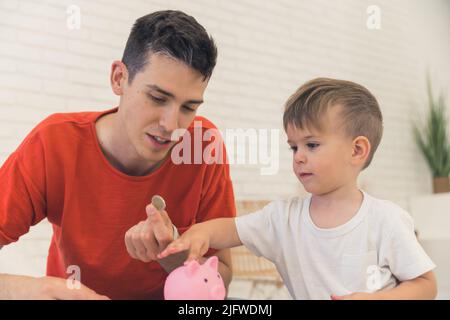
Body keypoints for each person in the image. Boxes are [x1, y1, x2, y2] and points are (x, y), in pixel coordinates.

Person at [0, 10, 236, 300]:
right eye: (158, 98)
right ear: (119, 78)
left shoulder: (202, 146)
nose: (172, 125)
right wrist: (37, 288)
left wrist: (171, 251)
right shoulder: (54, 143)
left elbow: (221, 278)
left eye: (189, 107)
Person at [159, 77, 438, 300]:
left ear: (357, 150)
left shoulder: (386, 219)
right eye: (294, 147)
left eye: (312, 145)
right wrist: (199, 234)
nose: (299, 156)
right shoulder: (283, 218)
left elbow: (426, 285)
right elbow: (231, 229)